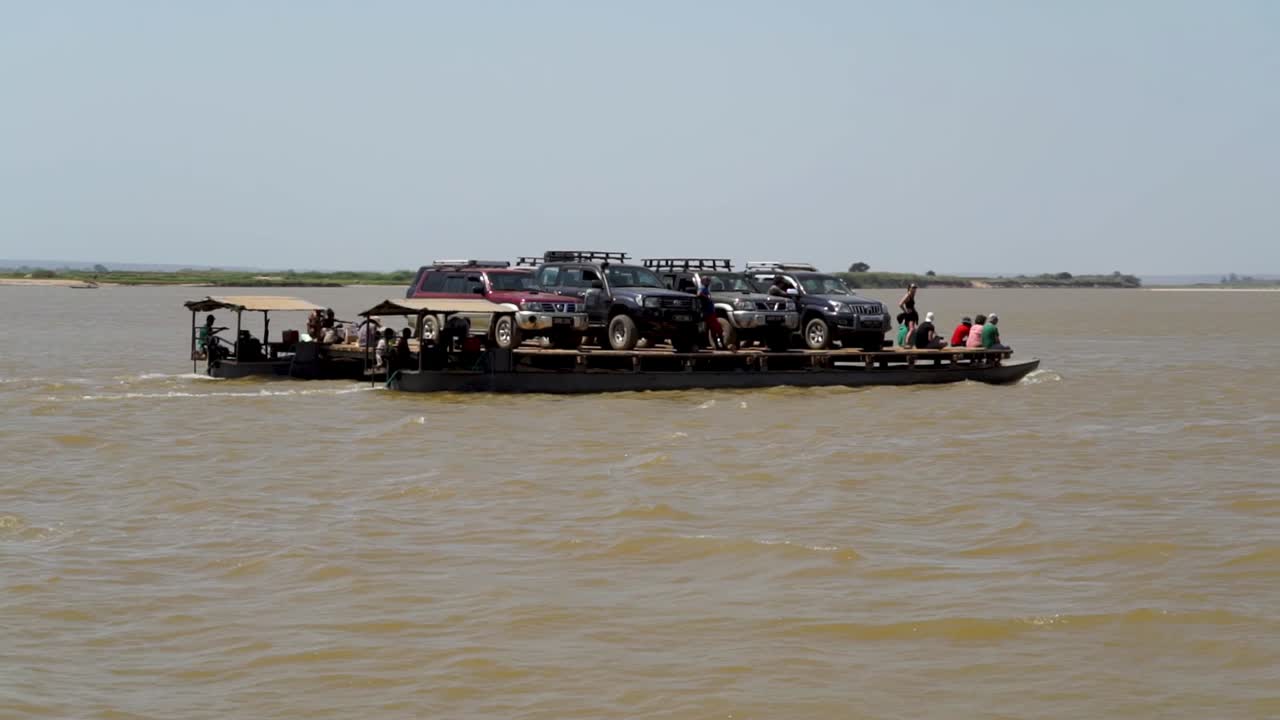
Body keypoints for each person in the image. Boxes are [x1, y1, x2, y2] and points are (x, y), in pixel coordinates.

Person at [697, 275, 726, 350]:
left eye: (708, 280)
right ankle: (721, 345)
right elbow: (699, 294)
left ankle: (718, 345)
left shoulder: (706, 289)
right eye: (707, 280)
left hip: (710, 312)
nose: (708, 282)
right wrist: (706, 298)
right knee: (718, 329)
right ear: (703, 281)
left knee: (714, 330)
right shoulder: (702, 288)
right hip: (709, 313)